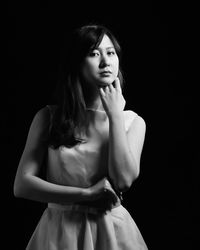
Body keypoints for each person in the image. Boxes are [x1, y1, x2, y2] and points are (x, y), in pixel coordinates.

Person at [14, 24, 148, 250]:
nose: (106, 62)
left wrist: (115, 116)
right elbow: (22, 185)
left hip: (112, 232)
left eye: (111, 52)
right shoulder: (48, 117)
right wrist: (85, 195)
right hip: (60, 231)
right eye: (94, 54)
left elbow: (123, 180)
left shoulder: (132, 121)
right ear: (76, 63)